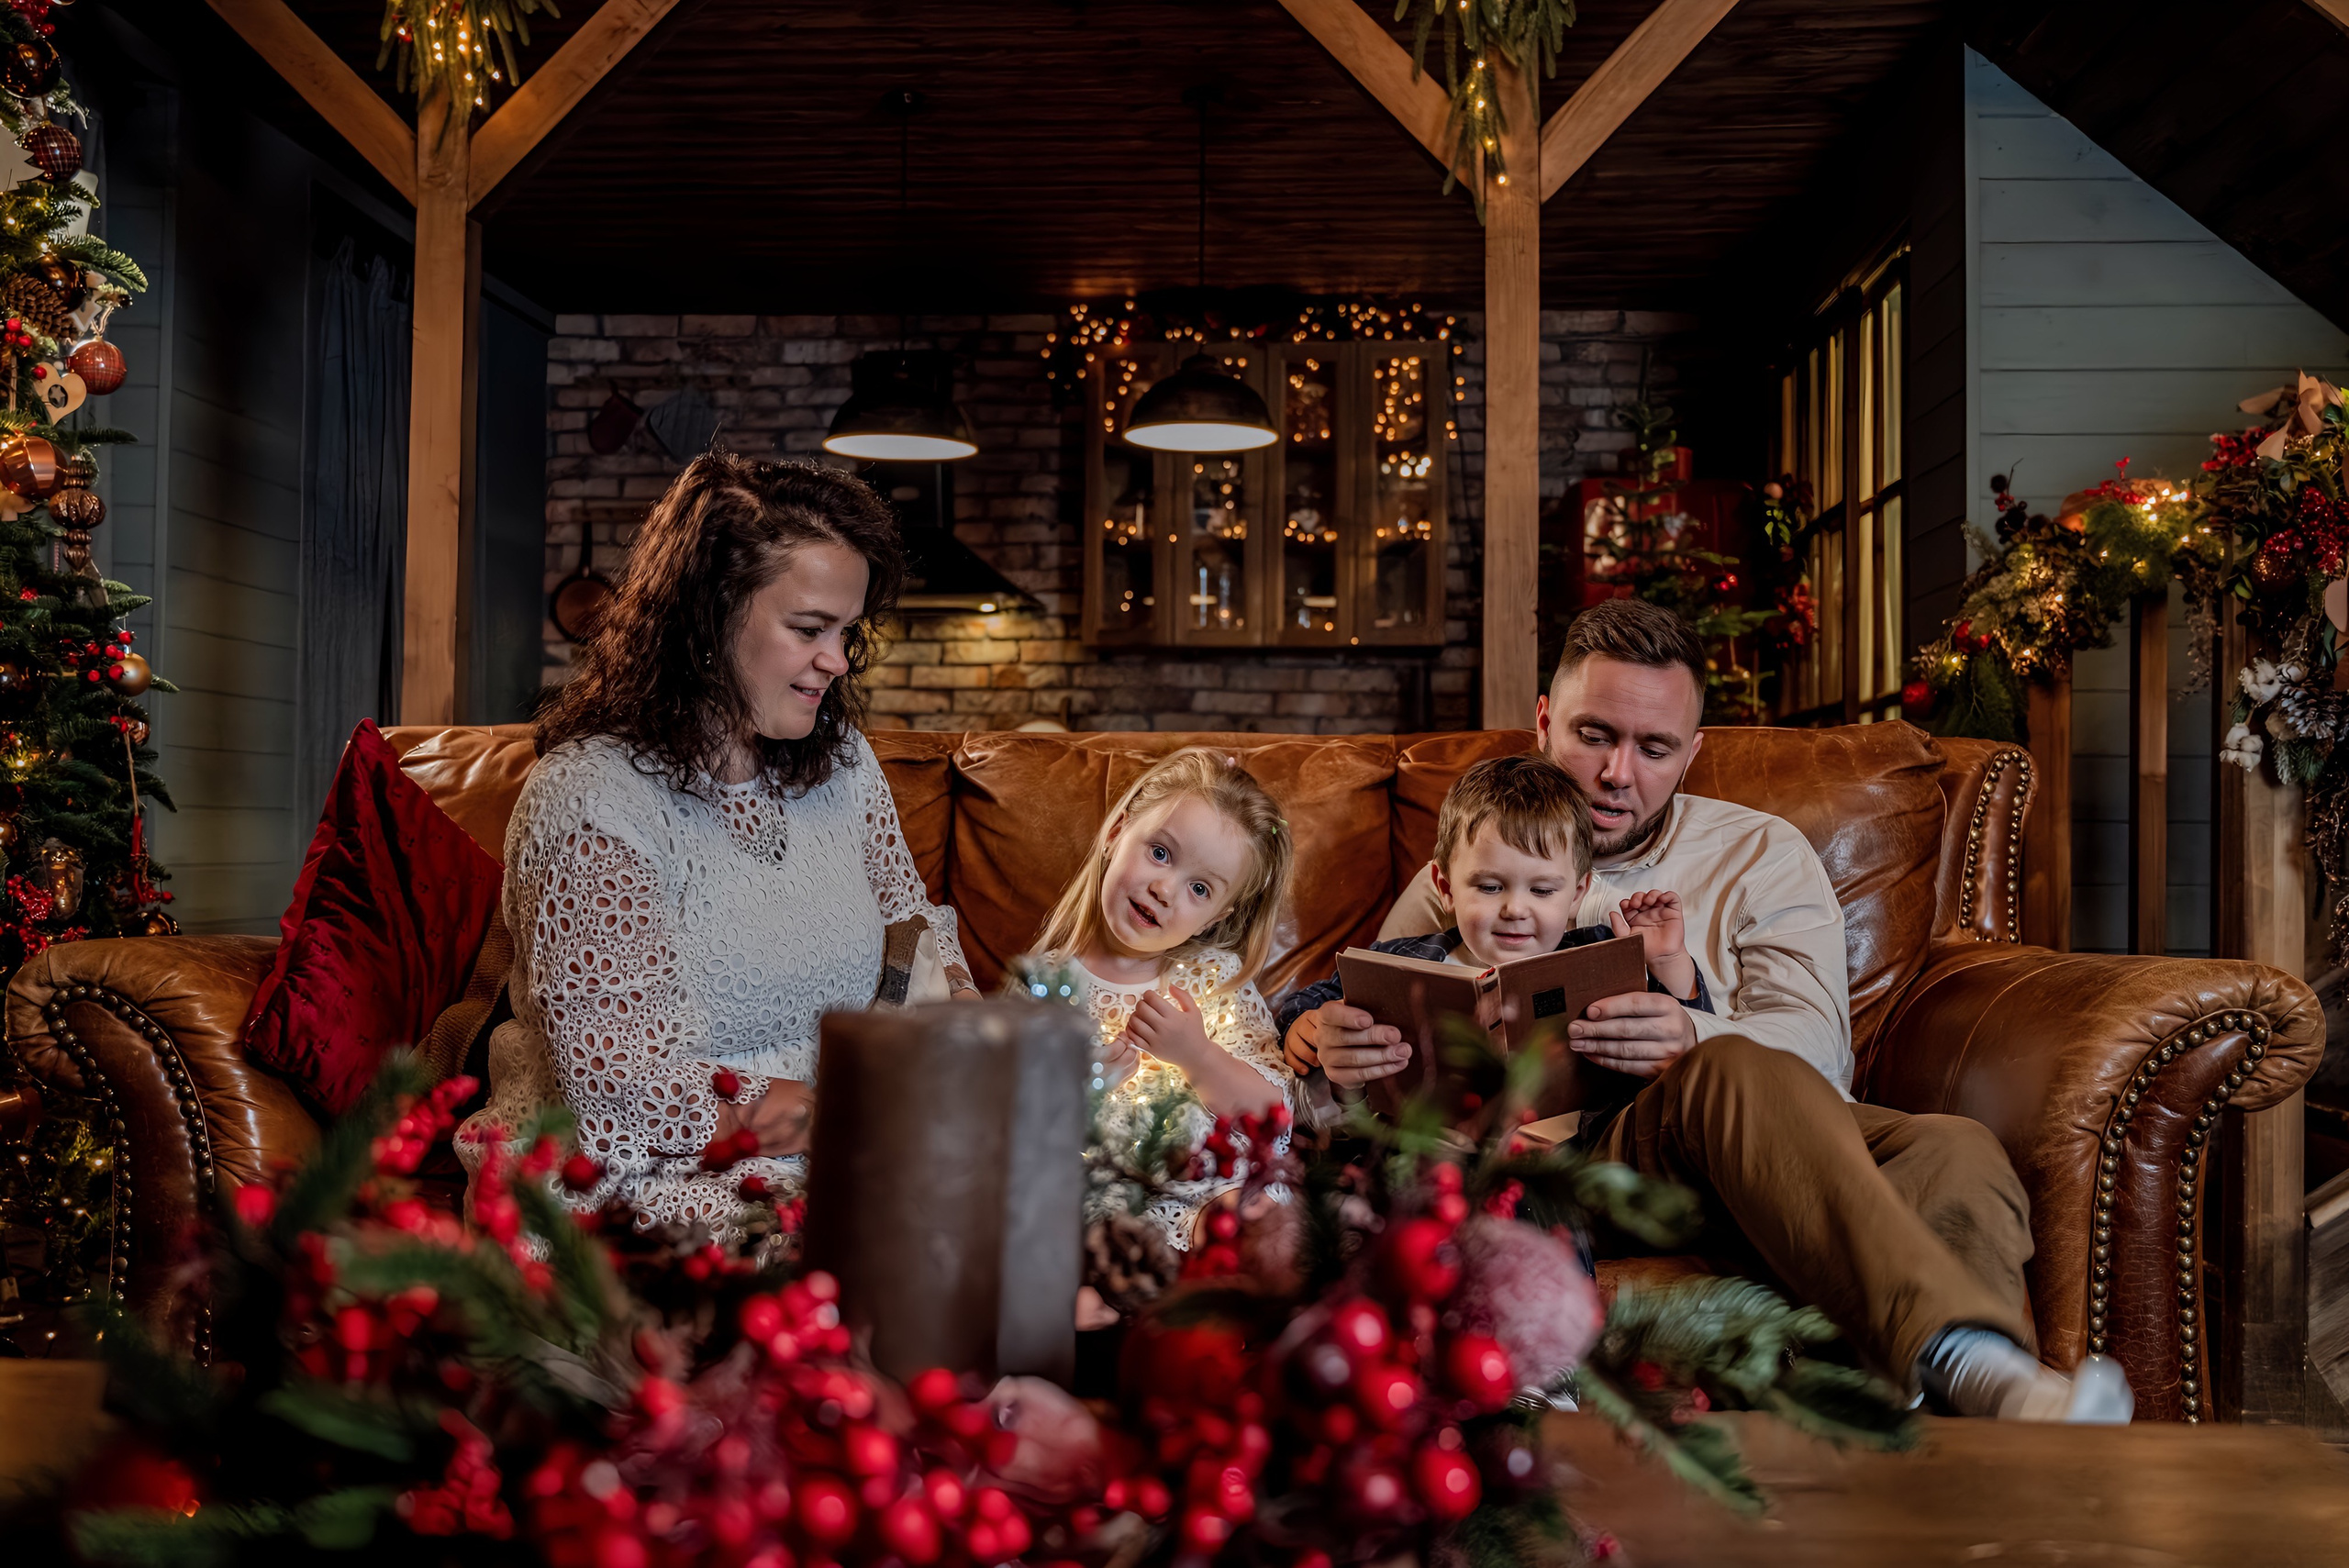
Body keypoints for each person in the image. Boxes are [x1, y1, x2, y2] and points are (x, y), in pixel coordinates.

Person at [1281, 597, 2131, 1422]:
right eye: (1593, 735)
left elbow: (1819, 1051)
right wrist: (1330, 1045)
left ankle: (1984, 1407)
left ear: (1692, 752)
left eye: (1654, 747)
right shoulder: (1480, 858)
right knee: (1729, 1067)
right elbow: (1377, 1004)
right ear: (1544, 722)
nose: (1618, 774)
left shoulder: (1761, 853)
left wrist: (1690, 1027)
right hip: (1592, 1156)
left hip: (1758, 1134)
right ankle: (1962, 1367)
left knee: (1954, 1148)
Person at [459, 453, 976, 1234]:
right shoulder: (593, 800)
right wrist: (854, 1117)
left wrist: (966, 1020)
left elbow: (913, 924)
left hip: (833, 1135)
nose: (837, 660)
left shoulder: (841, 761)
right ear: (710, 614)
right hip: (638, 1167)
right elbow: (620, 1094)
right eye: (810, 628)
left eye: (846, 631)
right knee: (889, 1253)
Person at [1275, 754, 1711, 1118]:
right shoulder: (1401, 960)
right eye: (1488, 887)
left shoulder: (1600, 954)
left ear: (1577, 894)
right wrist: (1304, 1028)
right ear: (1446, 888)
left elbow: (1683, 1049)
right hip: (1427, 1162)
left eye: (1542, 891)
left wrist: (1668, 965)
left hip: (1577, 1160)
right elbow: (1310, 1002)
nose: (1515, 909)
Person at [1024, 748, 1296, 1249]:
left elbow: (1271, 1115)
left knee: (1257, 1224)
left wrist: (1198, 1056)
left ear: (1216, 917)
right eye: (1161, 853)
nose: (1165, 890)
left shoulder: (1214, 978)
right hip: (1109, 1205)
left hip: (1218, 1189)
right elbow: (1013, 1132)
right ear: (1116, 833)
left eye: (1200, 889)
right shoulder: (1045, 989)